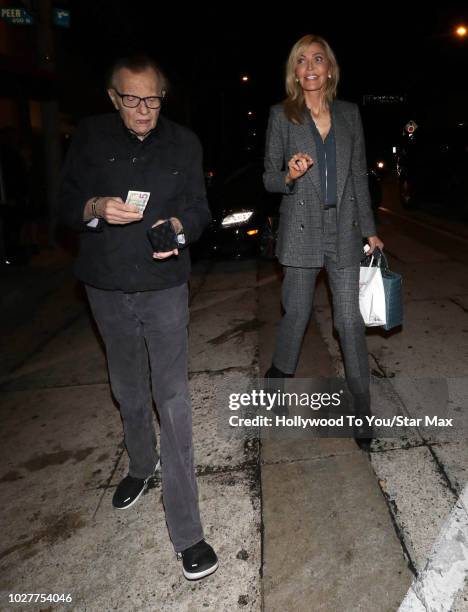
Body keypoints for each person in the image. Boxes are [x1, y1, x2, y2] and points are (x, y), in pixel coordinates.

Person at [59, 55, 218, 580]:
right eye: (132, 99)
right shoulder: (89, 136)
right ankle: (141, 466)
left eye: (153, 99)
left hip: (165, 287)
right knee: (128, 389)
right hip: (104, 286)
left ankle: (188, 532)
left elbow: (200, 208)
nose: (144, 109)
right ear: (113, 97)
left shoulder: (184, 143)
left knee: (171, 399)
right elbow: (62, 205)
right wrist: (95, 206)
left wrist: (178, 226)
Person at [263, 35, 384, 450]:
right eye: (301, 61)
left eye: (318, 59)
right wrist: (290, 175)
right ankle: (277, 378)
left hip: (344, 229)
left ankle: (362, 408)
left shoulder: (349, 114)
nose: (310, 67)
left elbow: (359, 177)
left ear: (330, 68)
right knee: (296, 313)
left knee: (349, 321)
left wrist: (369, 228)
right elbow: (268, 178)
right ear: (294, 72)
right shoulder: (282, 115)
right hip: (301, 226)